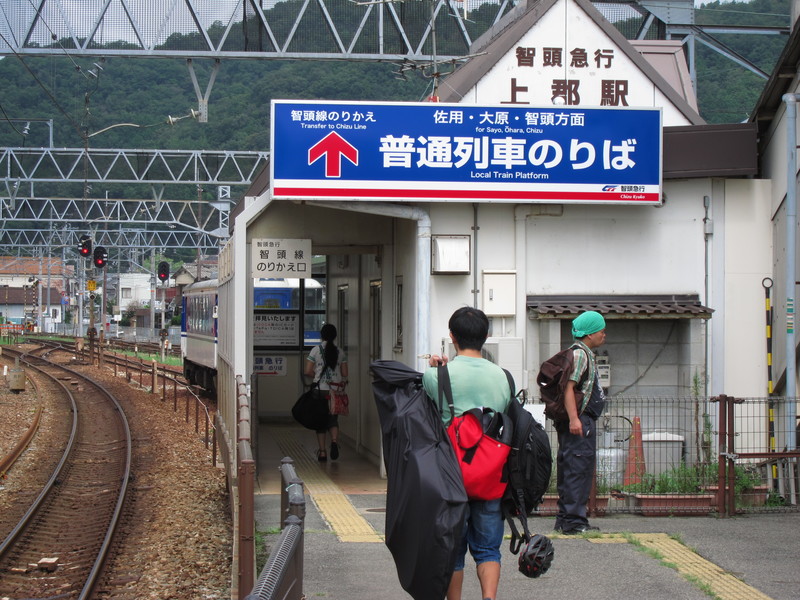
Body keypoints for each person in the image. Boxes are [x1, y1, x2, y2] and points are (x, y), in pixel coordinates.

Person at [422, 306, 511, 600]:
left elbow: (429, 409)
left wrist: (436, 368)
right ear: (485, 336)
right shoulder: (503, 377)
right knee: (488, 549)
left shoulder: (436, 377)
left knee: (454, 549)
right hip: (490, 473)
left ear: (452, 337)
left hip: (452, 474)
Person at [554, 310, 607, 535]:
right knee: (578, 469)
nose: (604, 335)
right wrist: (575, 419)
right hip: (579, 420)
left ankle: (566, 519)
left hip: (579, 419)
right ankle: (574, 522)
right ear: (590, 333)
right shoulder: (581, 355)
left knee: (571, 468)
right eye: (601, 331)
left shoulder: (579, 353)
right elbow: (569, 387)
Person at [304, 323, 348, 462]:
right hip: (335, 391)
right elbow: (344, 373)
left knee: (320, 422)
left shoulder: (315, 350)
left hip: (320, 391)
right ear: (335, 336)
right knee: (333, 420)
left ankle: (322, 452)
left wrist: (317, 376)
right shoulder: (340, 352)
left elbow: (307, 371)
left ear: (321, 335)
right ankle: (334, 442)